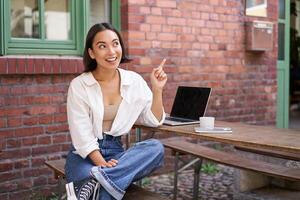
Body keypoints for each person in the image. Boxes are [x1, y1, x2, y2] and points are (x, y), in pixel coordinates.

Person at [64, 22, 167, 200]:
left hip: (117, 154)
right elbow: (81, 134)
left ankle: (97, 180)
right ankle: (104, 180)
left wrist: (157, 90)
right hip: (85, 156)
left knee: (155, 148)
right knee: (106, 192)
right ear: (91, 53)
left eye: (115, 43)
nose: (111, 52)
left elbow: (154, 120)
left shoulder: (134, 81)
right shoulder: (79, 85)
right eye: (102, 46)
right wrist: (101, 164)